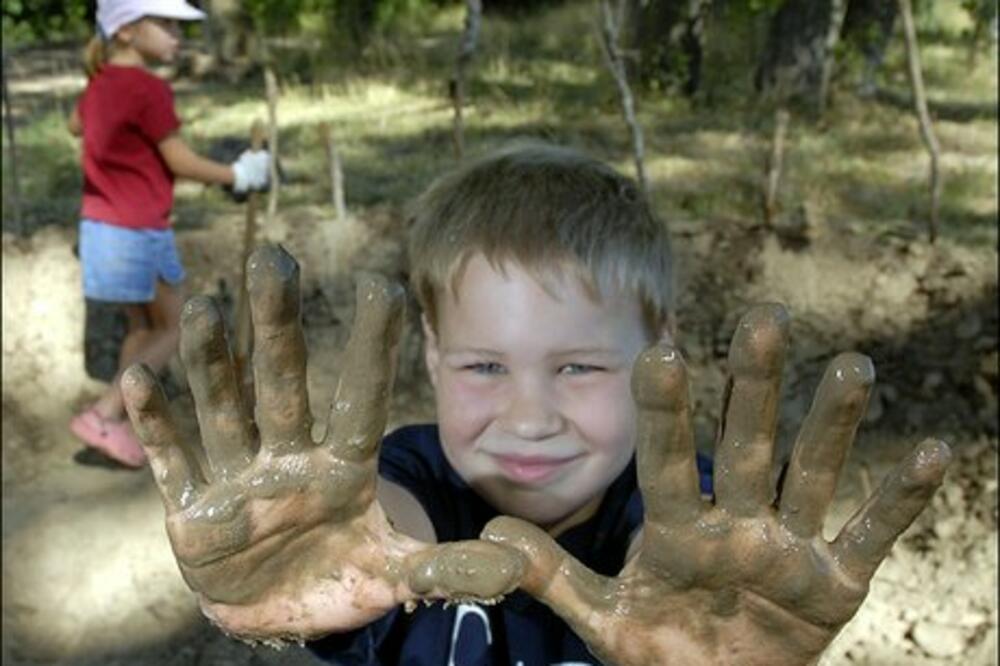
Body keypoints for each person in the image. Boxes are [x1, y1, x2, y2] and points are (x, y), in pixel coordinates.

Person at [121, 143, 951, 665]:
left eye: (579, 367)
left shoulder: (691, 517)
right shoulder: (409, 477)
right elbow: (376, 523)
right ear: (433, 352)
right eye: (485, 365)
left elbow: (685, 559)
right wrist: (315, 550)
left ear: (657, 346)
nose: (528, 419)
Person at [68, 0, 270, 468]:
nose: (176, 35)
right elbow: (179, 160)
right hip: (138, 231)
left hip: (102, 227)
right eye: (164, 24)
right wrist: (238, 174)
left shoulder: (100, 83)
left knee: (143, 328)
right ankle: (104, 414)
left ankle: (121, 422)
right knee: (174, 327)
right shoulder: (148, 88)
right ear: (126, 31)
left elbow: (74, 125)